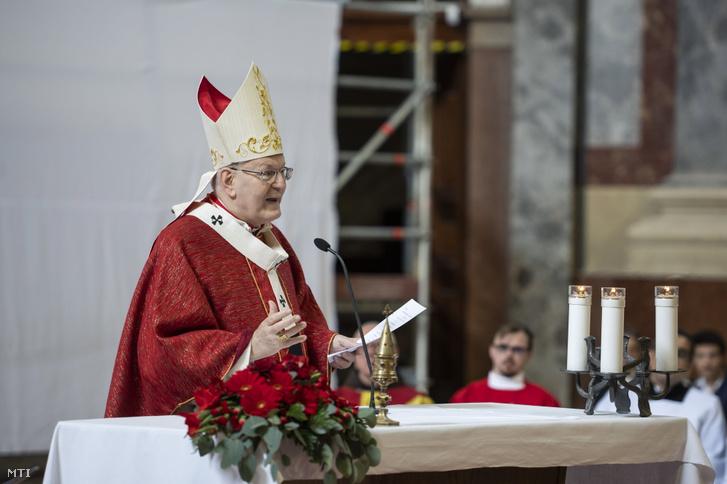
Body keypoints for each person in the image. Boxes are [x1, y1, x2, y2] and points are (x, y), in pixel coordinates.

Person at [105, 63, 357, 417]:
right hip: (216, 424)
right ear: (227, 180)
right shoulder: (184, 241)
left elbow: (301, 322)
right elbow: (164, 349)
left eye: (283, 172)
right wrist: (251, 347)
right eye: (267, 172)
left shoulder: (273, 240)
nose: (281, 184)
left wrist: (330, 344)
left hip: (284, 415)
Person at [595, 330, 726, 484]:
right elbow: (599, 439)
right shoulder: (622, 394)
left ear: (690, 365)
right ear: (650, 356)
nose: (670, 359)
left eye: (680, 354)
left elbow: (714, 463)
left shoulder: (708, 404)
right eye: (665, 351)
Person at [450, 323, 560, 407]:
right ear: (491, 350)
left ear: (529, 355)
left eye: (518, 349)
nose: (509, 354)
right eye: (503, 347)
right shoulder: (465, 397)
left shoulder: (544, 400)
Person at [336, 322, 434, 406]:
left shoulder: (418, 401)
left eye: (379, 345)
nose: (370, 352)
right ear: (352, 353)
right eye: (363, 346)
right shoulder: (337, 400)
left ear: (395, 353)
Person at [691, 330, 727, 419]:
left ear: (722, 357)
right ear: (693, 359)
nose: (707, 363)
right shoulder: (691, 387)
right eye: (700, 356)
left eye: (713, 355)